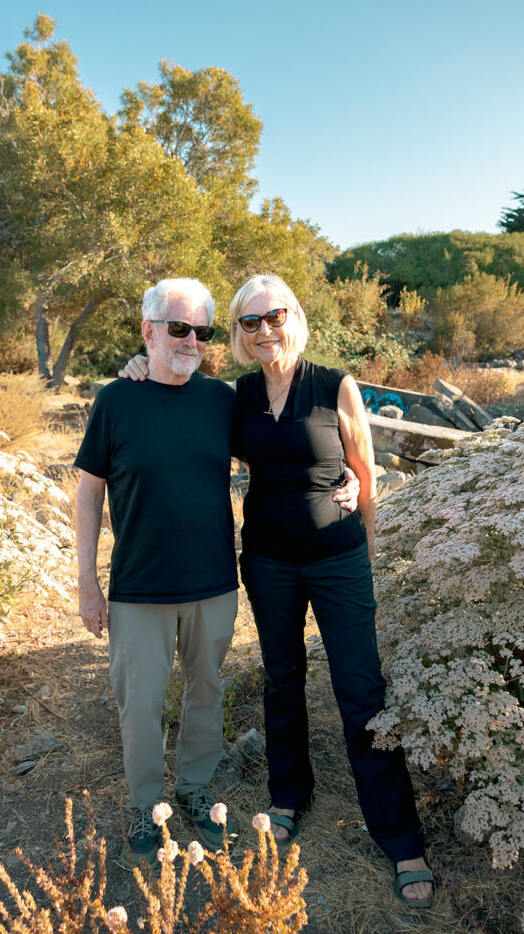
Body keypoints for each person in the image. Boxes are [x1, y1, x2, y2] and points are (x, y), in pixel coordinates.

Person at [120, 274, 434, 908]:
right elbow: (180, 400)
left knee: (361, 690)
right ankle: (289, 795)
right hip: (266, 560)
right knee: (281, 676)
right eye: (248, 321)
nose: (264, 329)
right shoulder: (234, 396)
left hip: (338, 560)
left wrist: (364, 550)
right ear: (238, 334)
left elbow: (365, 473)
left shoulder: (334, 384)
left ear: (294, 317)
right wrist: (142, 362)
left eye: (274, 316)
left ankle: (398, 835)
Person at [74, 276, 358, 871]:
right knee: (141, 703)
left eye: (202, 331)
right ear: (148, 331)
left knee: (206, 694)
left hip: (213, 583)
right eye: (179, 328)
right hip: (138, 587)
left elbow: (286, 447)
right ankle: (143, 803)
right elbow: (88, 493)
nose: (192, 341)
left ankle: (195, 788)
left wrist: (347, 477)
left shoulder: (222, 400)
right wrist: (87, 582)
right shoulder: (115, 400)